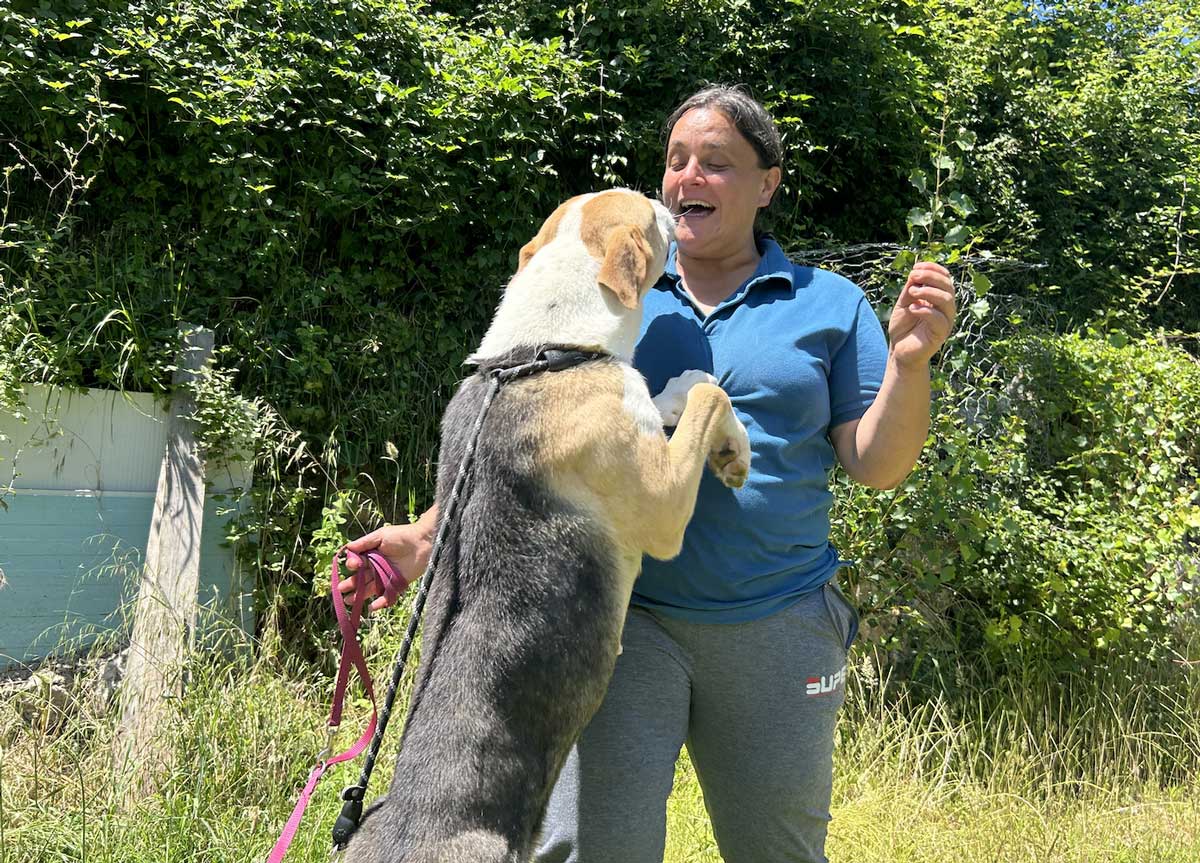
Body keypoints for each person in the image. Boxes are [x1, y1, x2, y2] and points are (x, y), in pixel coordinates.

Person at [339, 85, 955, 863]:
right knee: (590, 851)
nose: (687, 177)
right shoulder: (620, 287)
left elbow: (878, 463)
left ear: (768, 184)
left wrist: (909, 362)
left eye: (717, 163)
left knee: (779, 853)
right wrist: (429, 536)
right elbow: (539, 439)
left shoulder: (825, 303)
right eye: (676, 160)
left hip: (777, 619)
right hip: (629, 628)